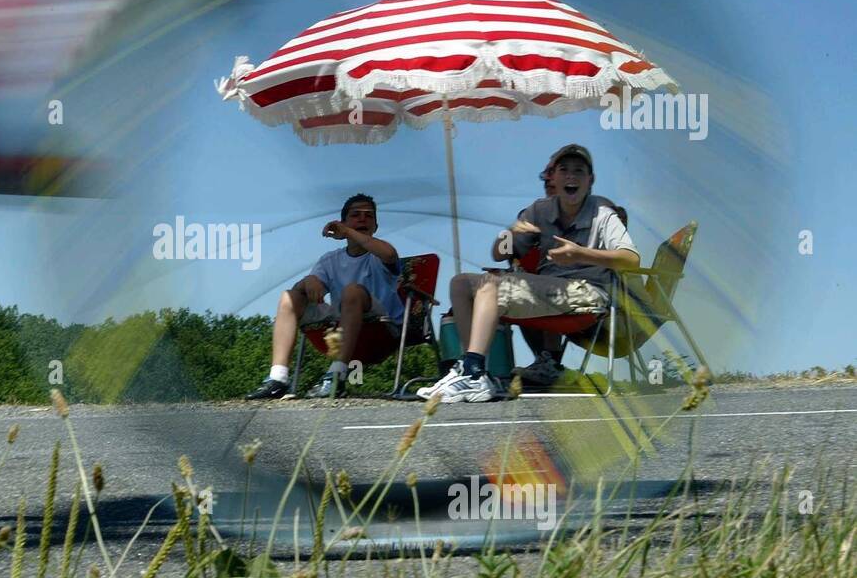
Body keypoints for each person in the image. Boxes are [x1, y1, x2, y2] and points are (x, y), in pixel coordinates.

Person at [424, 144, 638, 403]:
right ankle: (474, 370)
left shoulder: (603, 212)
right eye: (564, 170)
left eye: (579, 171)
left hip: (587, 293)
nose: (571, 176)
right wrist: (511, 233)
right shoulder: (539, 210)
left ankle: (472, 372)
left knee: (490, 286)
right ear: (553, 178)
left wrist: (581, 254)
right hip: (548, 289)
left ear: (590, 180)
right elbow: (498, 253)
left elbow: (631, 260)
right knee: (460, 283)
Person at [247, 193, 402, 399]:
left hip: (382, 327)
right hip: (340, 322)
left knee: (352, 291)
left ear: (375, 226)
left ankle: (336, 375)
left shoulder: (379, 255)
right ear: (343, 221)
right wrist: (308, 280)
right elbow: (303, 291)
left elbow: (390, 255)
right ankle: (278, 378)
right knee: (290, 297)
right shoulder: (330, 260)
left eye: (369, 216)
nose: (363, 219)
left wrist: (348, 231)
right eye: (356, 215)